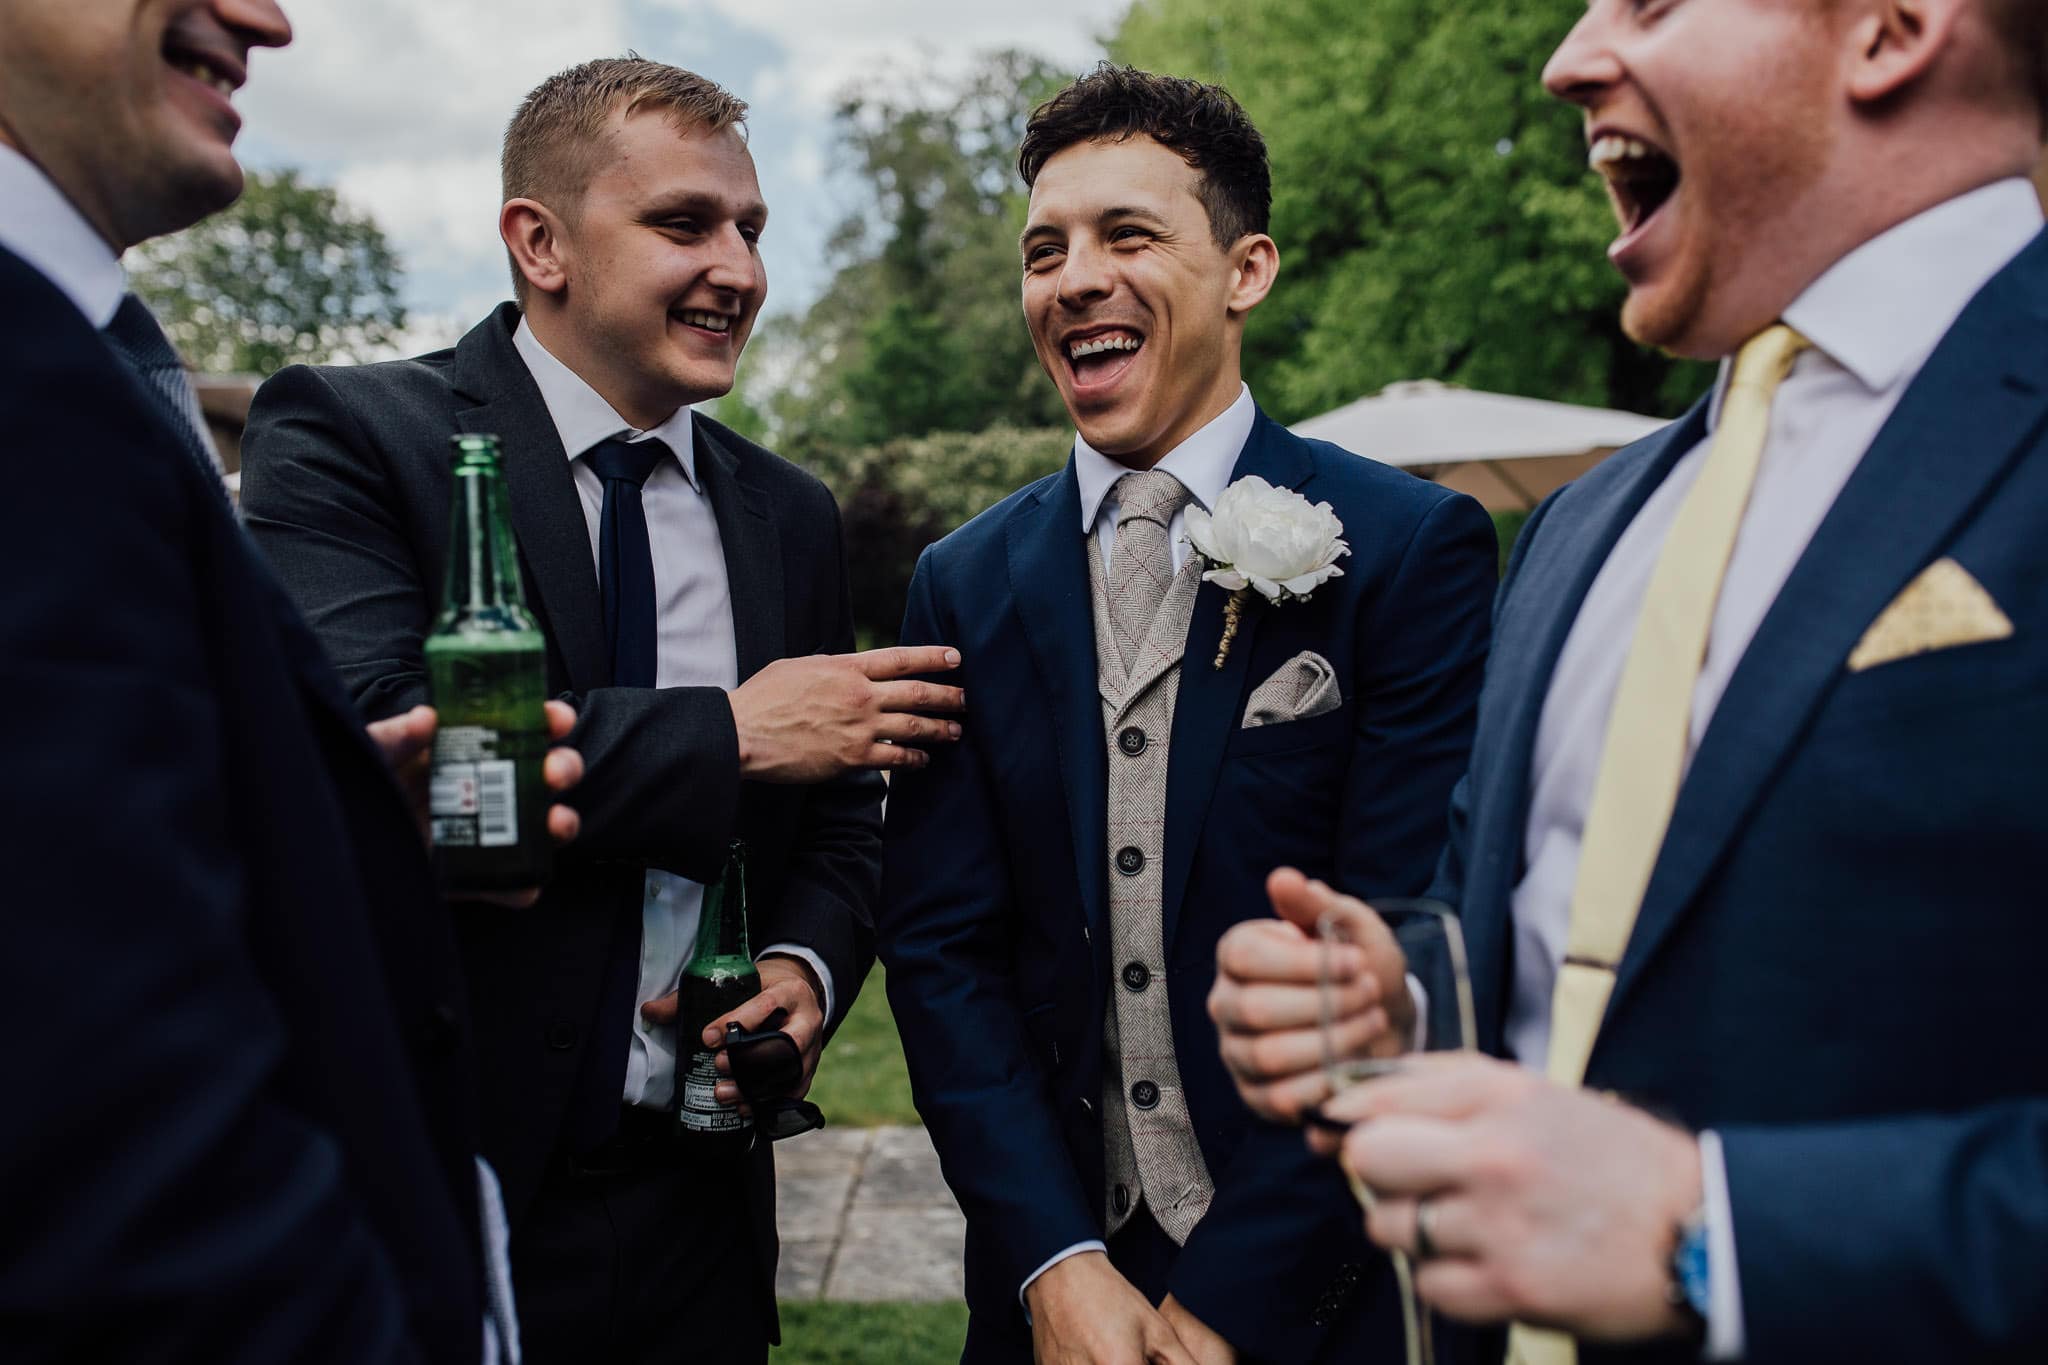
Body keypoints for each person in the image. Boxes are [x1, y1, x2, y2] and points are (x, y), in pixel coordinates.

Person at [1208, 1, 2048, 1361]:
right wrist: (1409, 1003)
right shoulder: (1579, 528)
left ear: (1892, 28)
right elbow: (1559, 953)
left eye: (1650, 1)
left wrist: (1714, 1230)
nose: (1568, 58)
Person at [240, 56, 963, 1365]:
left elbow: (845, 807)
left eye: (752, 230)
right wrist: (729, 735)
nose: (739, 269)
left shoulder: (787, 513)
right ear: (541, 242)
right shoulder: (353, 436)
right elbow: (385, 750)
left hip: (704, 1211)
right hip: (447, 1185)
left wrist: (803, 970)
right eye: (686, 224)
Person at [879, 64, 1498, 1365]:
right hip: (1061, 1307)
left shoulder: (1406, 547)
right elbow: (943, 954)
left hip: (1327, 1295)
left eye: (1128, 235)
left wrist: (1232, 1306)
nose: (1074, 278)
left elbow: (1407, 936)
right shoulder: (962, 581)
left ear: (1247, 270)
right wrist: (1055, 1264)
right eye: (1044, 250)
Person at [0, 0, 584, 1359]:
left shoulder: (81, 363)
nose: (266, 16)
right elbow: (115, 1168)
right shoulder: (30, 394)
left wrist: (324, 820)